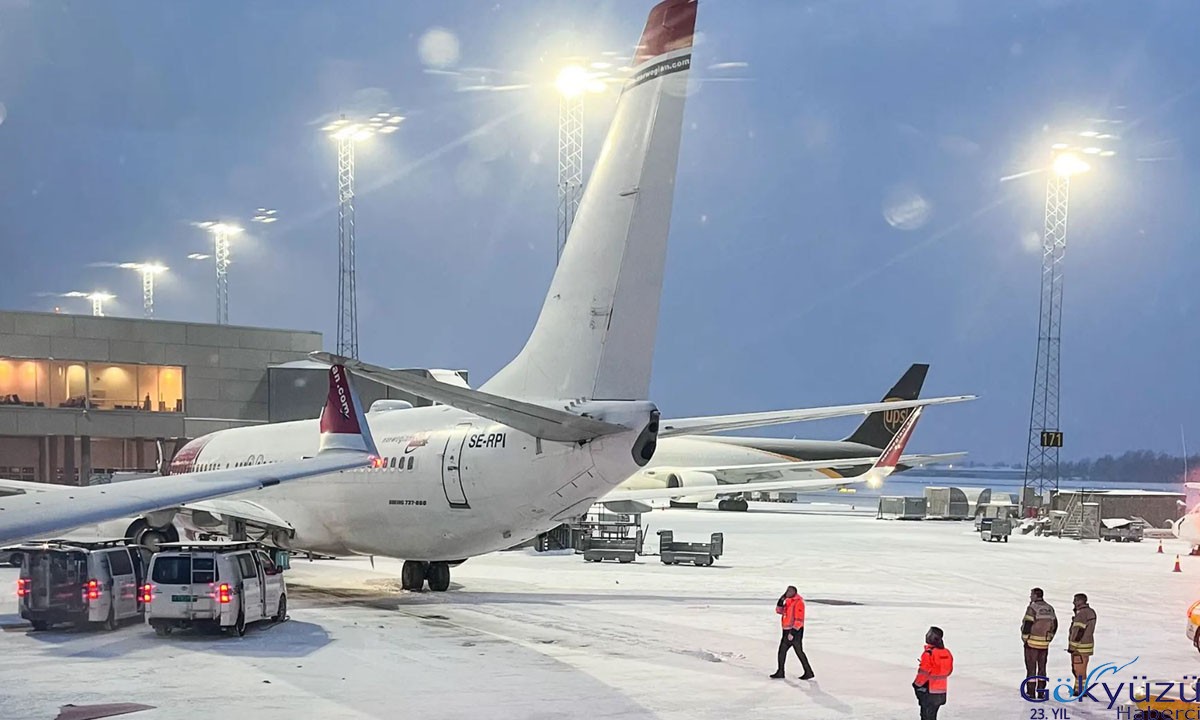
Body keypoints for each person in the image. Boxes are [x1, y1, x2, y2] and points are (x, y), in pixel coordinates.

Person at [770, 585, 814, 680]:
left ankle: (808, 672)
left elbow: (799, 619)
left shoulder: (799, 602)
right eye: (787, 591)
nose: (787, 593)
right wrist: (781, 601)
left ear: (794, 592)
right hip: (786, 630)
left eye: (789, 591)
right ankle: (780, 671)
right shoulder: (788, 601)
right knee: (782, 652)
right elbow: (779, 611)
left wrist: (793, 632)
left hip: (795, 632)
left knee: (799, 652)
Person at [1021, 587, 1058, 700]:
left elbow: (1027, 624)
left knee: (1031, 668)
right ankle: (1041, 691)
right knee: (1042, 668)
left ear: (1035, 596)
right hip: (1044, 644)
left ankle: (1031, 692)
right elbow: (1055, 624)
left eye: (1031, 594)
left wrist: (1025, 638)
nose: (1030, 597)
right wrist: (1050, 637)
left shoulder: (1032, 608)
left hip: (1032, 643)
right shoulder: (1049, 608)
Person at [913, 626, 954, 720]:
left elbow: (923, 673)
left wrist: (916, 684)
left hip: (928, 691)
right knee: (932, 715)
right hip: (940, 691)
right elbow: (948, 671)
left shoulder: (929, 653)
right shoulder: (946, 653)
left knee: (926, 716)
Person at [1068, 593, 1097, 696]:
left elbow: (1078, 631)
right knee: (1082, 669)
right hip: (1087, 645)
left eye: (1075, 600)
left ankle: (1080, 690)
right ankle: (1079, 688)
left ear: (1081, 601)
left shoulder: (1082, 614)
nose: (1073, 602)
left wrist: (1072, 646)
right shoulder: (1091, 612)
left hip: (1079, 647)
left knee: (1078, 670)